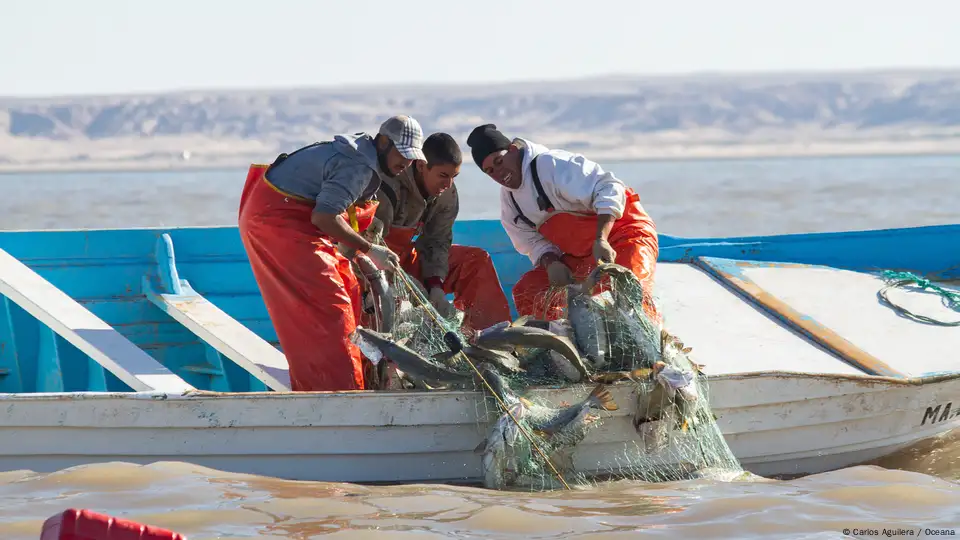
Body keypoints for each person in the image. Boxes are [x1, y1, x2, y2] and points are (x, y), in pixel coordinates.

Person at [238, 115, 426, 392]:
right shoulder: (360, 165)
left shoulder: (364, 156)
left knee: (348, 286)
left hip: (291, 220)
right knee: (331, 307)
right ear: (384, 142)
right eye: (403, 154)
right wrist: (369, 249)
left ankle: (351, 380)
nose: (406, 164)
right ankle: (334, 392)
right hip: (278, 223)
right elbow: (324, 217)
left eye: (412, 158)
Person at [465, 123, 661, 325]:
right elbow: (532, 243)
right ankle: (561, 343)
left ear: (513, 149)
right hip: (582, 257)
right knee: (528, 290)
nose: (498, 173)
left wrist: (601, 238)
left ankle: (650, 338)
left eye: (499, 161)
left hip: (625, 236)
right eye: (489, 171)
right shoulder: (511, 204)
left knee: (630, 290)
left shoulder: (552, 165)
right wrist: (551, 263)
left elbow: (609, 186)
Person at [370, 132, 512, 333]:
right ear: (420, 166)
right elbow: (366, 245)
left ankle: (493, 340)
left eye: (454, 177)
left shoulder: (446, 194)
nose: (448, 185)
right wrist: (402, 281)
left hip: (406, 260)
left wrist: (435, 284)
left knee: (474, 260)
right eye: (443, 176)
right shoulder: (387, 186)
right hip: (374, 265)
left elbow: (437, 241)